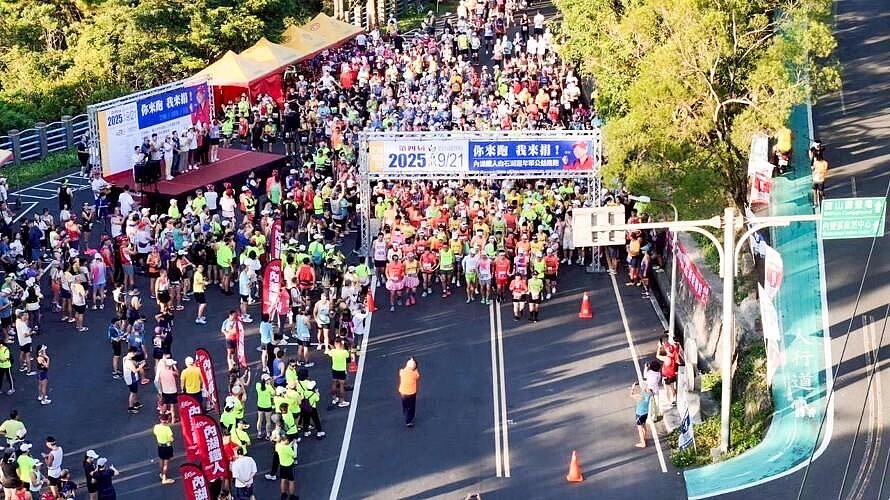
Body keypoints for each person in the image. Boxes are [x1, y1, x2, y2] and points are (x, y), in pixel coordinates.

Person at [153, 413, 175, 485]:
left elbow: (155, 433)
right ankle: (165, 479)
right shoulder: (167, 429)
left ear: (160, 419)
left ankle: (162, 474)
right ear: (167, 420)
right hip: (167, 446)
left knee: (161, 459)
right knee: (166, 463)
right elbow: (171, 439)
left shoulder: (156, 427)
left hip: (160, 446)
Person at [327, 338, 350, 408]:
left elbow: (329, 352)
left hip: (335, 369)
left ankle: (334, 398)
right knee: (341, 385)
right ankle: (341, 401)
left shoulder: (333, 352)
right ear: (341, 344)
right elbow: (348, 355)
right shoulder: (344, 352)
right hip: (342, 370)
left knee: (334, 383)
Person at [398, 357, 420, 427]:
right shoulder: (414, 374)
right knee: (411, 406)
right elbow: (417, 376)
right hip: (411, 392)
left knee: (405, 405)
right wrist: (415, 369)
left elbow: (405, 368)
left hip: (403, 392)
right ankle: (410, 418)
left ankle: (406, 416)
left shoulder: (402, 371)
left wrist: (410, 362)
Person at [274, 433, 298, 500]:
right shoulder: (288, 448)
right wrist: (295, 446)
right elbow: (294, 455)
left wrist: (290, 445)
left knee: (283, 480)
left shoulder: (277, 446)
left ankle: (283, 494)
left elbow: (284, 448)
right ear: (285, 440)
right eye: (287, 440)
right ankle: (292, 496)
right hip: (289, 466)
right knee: (291, 481)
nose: (288, 441)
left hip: (282, 465)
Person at [122, 349, 144, 413]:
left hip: (131, 379)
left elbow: (134, 363)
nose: (134, 355)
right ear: (131, 353)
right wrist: (141, 365)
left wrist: (138, 363)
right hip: (131, 380)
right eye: (134, 354)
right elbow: (135, 370)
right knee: (132, 393)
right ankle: (130, 407)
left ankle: (136, 403)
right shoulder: (128, 362)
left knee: (135, 392)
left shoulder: (125, 358)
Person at [630, 382, 650, 448]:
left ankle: (643, 443)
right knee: (644, 425)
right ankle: (645, 437)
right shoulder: (648, 395)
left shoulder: (639, 396)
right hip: (645, 413)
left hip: (639, 414)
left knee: (640, 428)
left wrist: (633, 388)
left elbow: (631, 395)